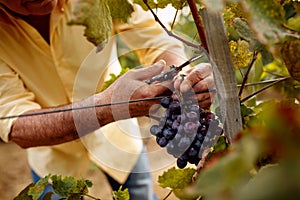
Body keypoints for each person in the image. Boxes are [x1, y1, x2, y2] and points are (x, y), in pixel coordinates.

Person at [0, 0, 215, 199]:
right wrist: (109, 106)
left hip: (118, 139)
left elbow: (155, 40)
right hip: (53, 154)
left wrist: (183, 77)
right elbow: (17, 124)